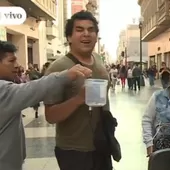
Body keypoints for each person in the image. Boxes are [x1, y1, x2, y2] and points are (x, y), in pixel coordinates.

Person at [0, 40, 92, 170]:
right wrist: (66, 75)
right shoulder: (3, 91)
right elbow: (32, 89)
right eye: (11, 61)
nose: (17, 65)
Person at [43, 11, 111, 170]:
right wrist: (79, 99)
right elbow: (50, 116)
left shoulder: (98, 60)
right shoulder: (59, 68)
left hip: (101, 144)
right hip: (74, 150)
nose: (86, 34)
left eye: (91, 29)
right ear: (69, 37)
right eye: (79, 30)